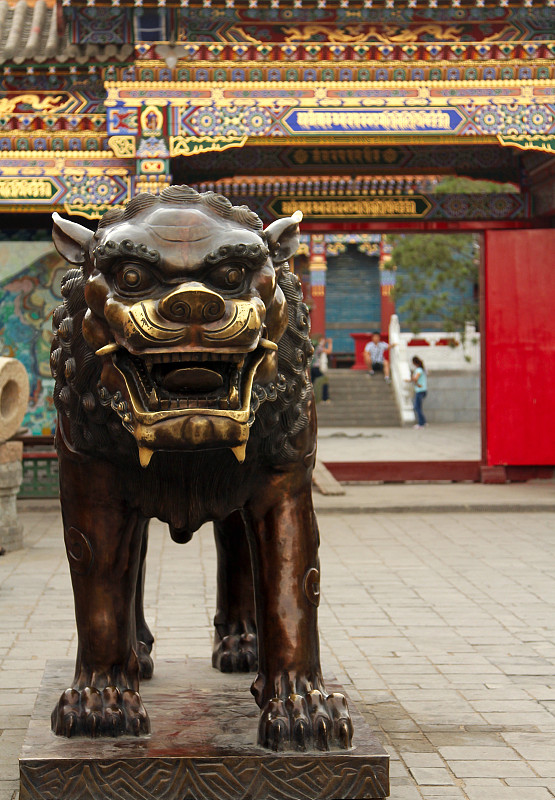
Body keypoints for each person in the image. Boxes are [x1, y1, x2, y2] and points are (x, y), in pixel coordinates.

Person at [311, 336, 333, 402]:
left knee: (311, 383)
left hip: (310, 367)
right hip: (315, 368)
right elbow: (329, 351)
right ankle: (325, 397)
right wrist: (330, 343)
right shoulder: (319, 347)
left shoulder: (312, 347)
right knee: (324, 380)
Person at [410, 356, 427, 428]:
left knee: (417, 407)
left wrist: (413, 378)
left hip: (420, 390)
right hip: (422, 390)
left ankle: (421, 424)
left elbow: (416, 378)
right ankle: (423, 422)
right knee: (418, 407)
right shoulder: (421, 369)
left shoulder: (419, 370)